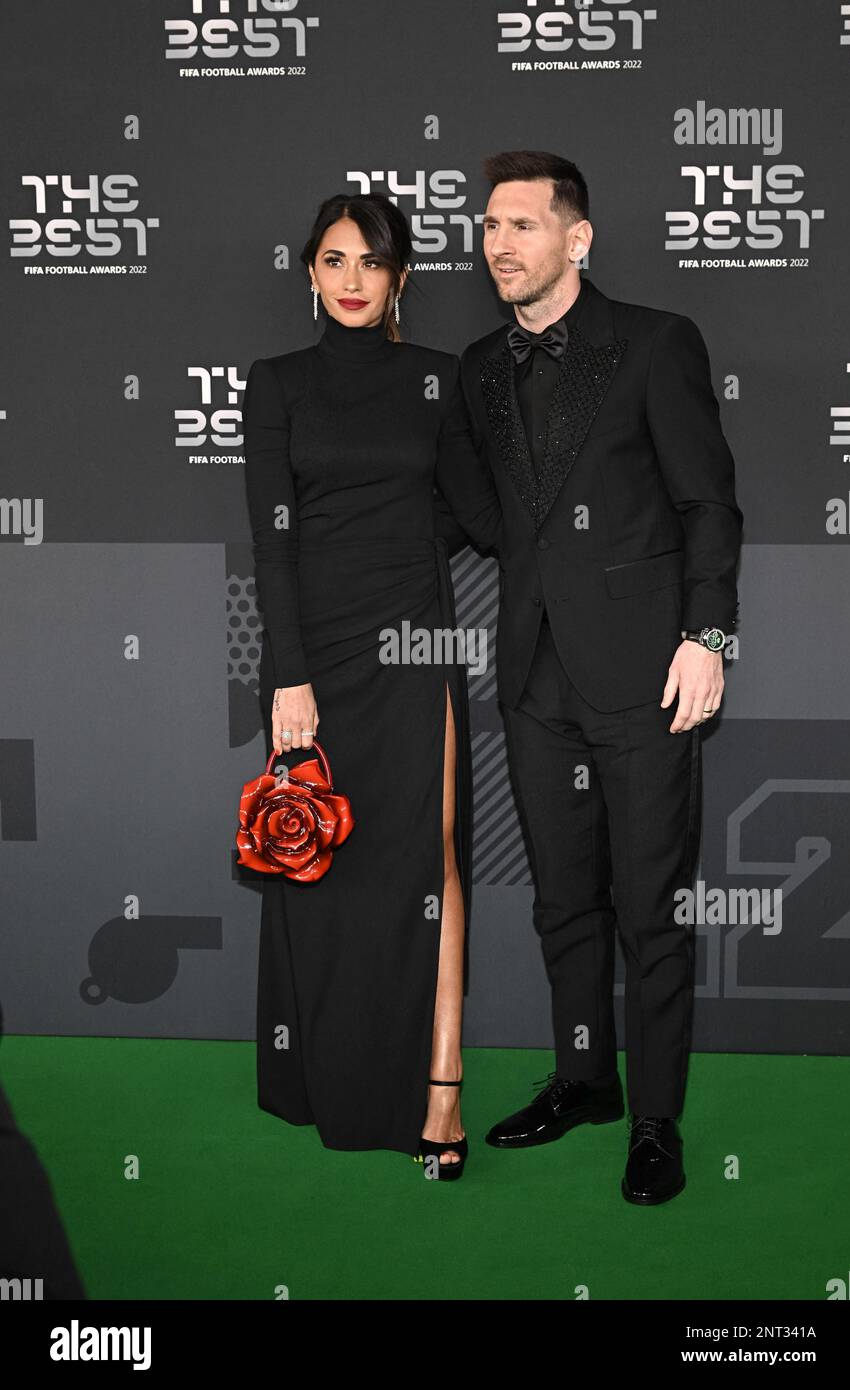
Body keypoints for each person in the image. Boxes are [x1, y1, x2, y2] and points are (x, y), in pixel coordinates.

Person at [457, 150, 743, 1204]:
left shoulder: (653, 344)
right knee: (559, 901)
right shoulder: (483, 368)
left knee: (647, 909)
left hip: (645, 677)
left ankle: (656, 1119)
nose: (497, 243)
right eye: (488, 224)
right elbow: (487, 510)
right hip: (533, 677)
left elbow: (707, 502)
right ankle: (583, 1079)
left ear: (574, 239)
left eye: (520, 225)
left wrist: (704, 637)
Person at [241, 193, 502, 1178]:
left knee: (428, 858)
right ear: (307, 270)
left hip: (412, 646)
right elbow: (272, 545)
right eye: (335, 259)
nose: (352, 279)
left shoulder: (436, 382)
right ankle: (326, 1073)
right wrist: (288, 679)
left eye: (373, 262)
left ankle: (442, 1085)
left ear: (399, 278)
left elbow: (479, 514)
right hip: (318, 655)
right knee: (322, 870)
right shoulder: (276, 385)